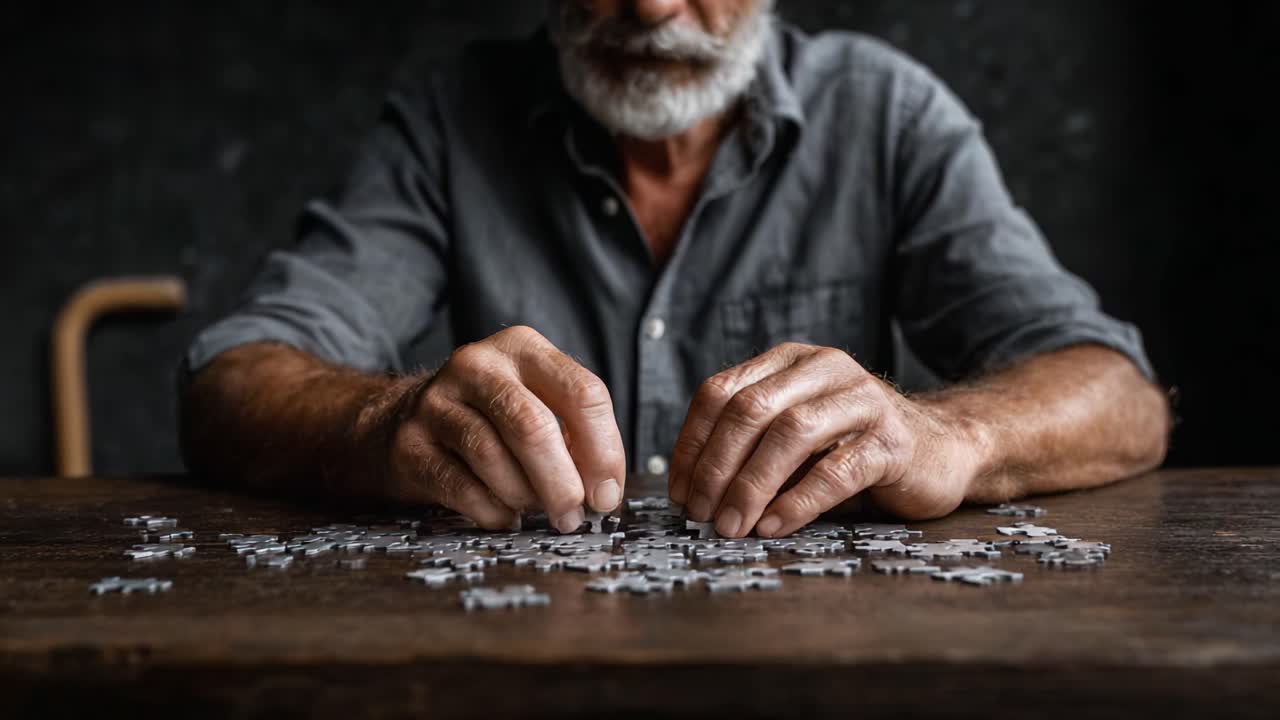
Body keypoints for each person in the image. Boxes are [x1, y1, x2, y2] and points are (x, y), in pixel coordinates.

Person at [179, 0, 1169, 540]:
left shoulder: (887, 114)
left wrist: (948, 433)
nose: (651, 9)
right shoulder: (451, 120)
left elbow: (1116, 392)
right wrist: (377, 420)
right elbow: (231, 378)